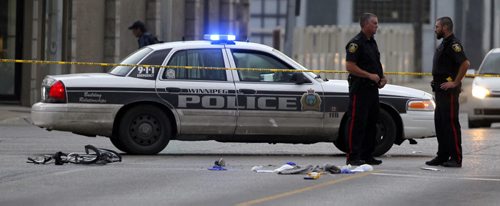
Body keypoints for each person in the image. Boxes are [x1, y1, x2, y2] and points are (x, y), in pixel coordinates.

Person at [426, 17, 470, 168]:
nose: (435, 29)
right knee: (441, 124)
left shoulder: (453, 44)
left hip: (449, 92)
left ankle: (456, 157)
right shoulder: (444, 43)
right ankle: (442, 155)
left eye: (437, 26)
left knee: (451, 124)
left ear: (445, 27)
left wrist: (456, 82)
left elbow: (465, 63)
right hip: (440, 91)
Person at [344, 13, 387, 166]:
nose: (377, 26)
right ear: (365, 24)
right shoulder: (356, 43)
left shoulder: (372, 42)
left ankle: (367, 154)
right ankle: (353, 156)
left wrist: (381, 77)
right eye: (374, 23)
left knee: (371, 122)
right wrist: (369, 76)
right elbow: (350, 66)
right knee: (357, 123)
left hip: (372, 90)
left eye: (377, 23)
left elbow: (375, 63)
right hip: (360, 89)